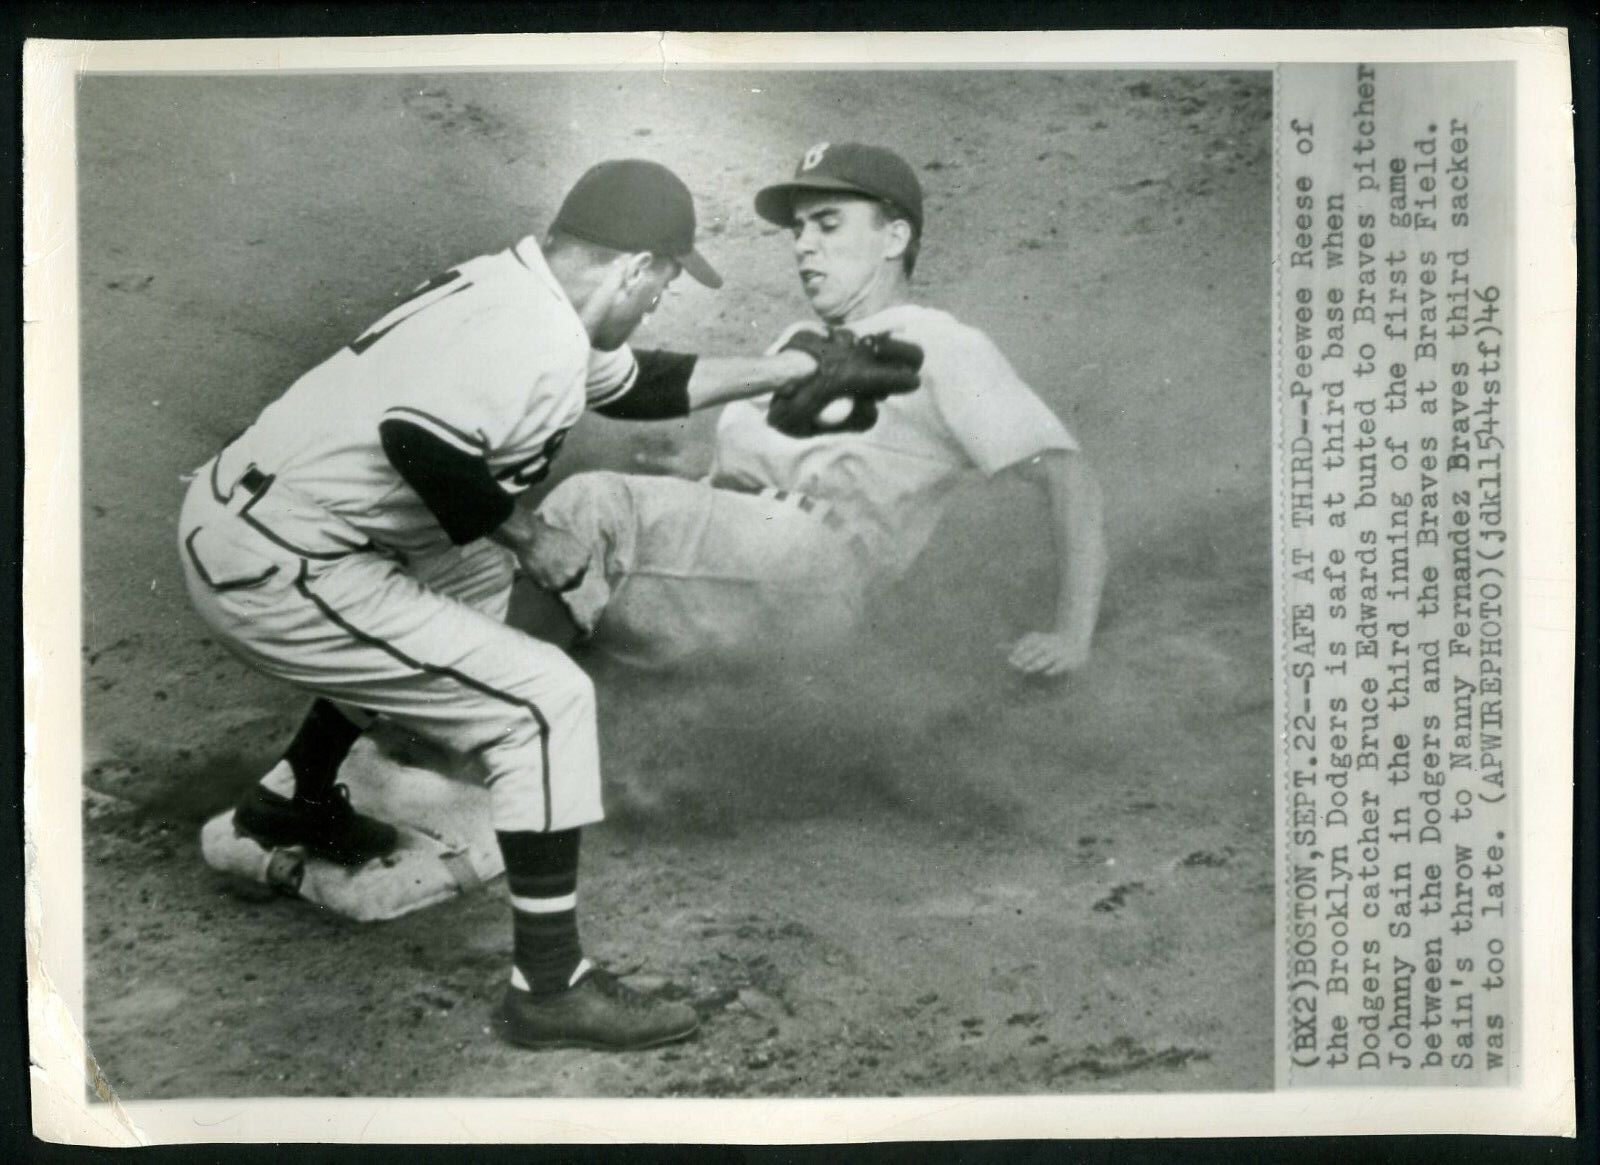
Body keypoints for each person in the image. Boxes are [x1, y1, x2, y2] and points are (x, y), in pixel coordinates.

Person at [177, 159, 912, 1052]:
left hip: (280, 527)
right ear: (634, 267)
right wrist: (531, 534)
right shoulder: (526, 333)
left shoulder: (525, 290)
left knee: (479, 597)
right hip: (279, 567)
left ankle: (290, 798)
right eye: (666, 279)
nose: (661, 299)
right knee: (545, 698)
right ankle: (550, 988)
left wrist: (783, 368)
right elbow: (416, 442)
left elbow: (636, 381)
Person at [532, 142, 1107, 678]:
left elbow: (1068, 479)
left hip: (817, 565)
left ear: (895, 238)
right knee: (556, 588)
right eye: (801, 229)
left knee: (592, 510)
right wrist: (694, 466)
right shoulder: (796, 339)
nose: (805, 244)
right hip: (744, 565)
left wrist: (1071, 633)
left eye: (829, 224)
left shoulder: (940, 341)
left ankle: (472, 702)